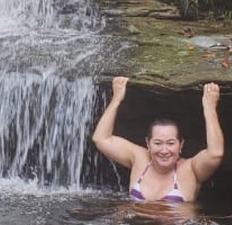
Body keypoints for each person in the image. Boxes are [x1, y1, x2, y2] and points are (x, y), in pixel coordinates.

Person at [92, 77, 224, 203]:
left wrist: (209, 108)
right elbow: (101, 139)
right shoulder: (139, 158)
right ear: (148, 143)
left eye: (171, 143)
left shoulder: (191, 169)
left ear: (181, 145)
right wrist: (116, 100)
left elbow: (215, 154)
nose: (164, 150)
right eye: (157, 143)